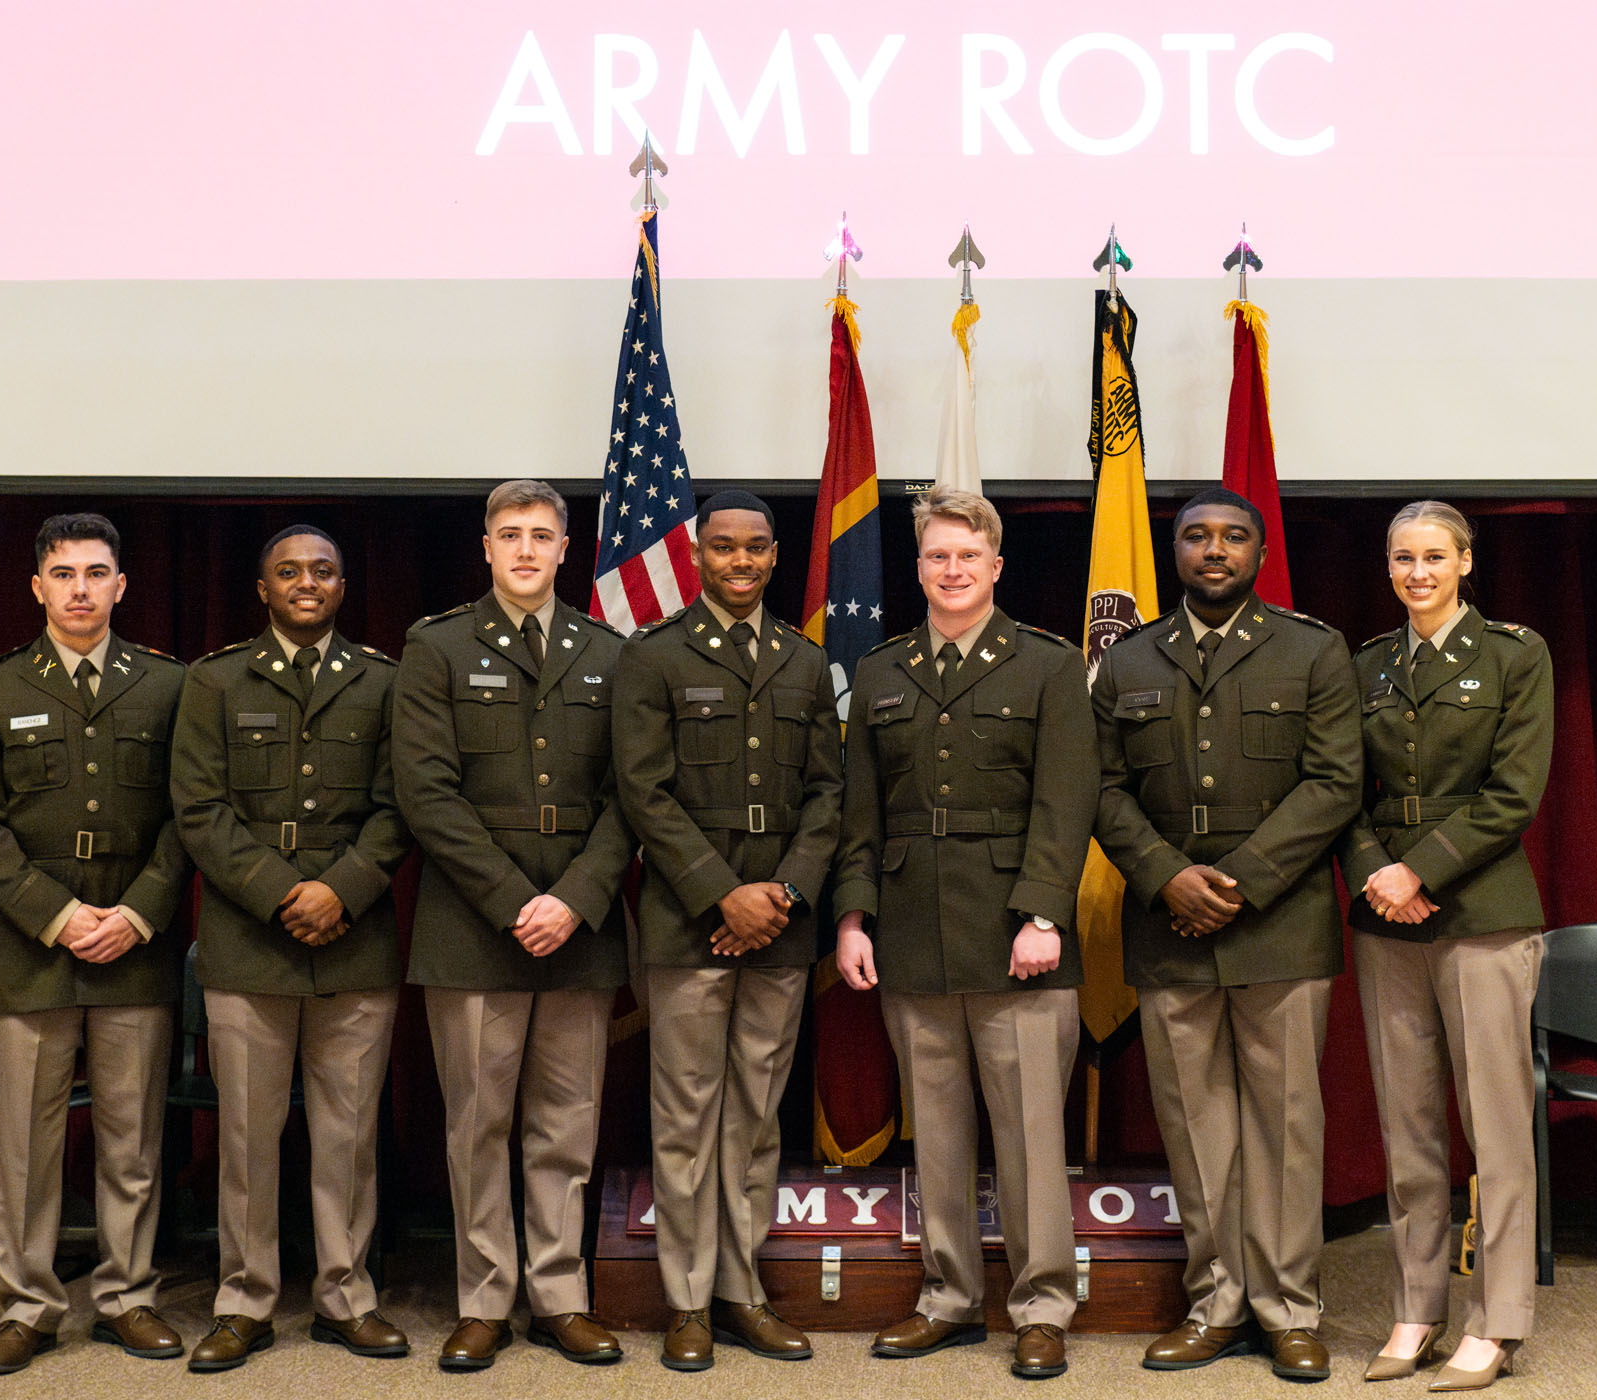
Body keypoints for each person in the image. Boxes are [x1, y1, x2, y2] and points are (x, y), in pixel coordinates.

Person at [1091, 486, 1361, 1383]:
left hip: (1278, 924)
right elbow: (1100, 788)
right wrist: (1169, 875)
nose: (1215, 550)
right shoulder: (1129, 660)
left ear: (1258, 551)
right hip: (1169, 925)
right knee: (1196, 1124)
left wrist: (1235, 883)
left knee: (1286, 1124)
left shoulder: (1312, 649)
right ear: (1176, 554)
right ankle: (1217, 1302)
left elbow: (1332, 783)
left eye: (1233, 536)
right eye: (1197, 537)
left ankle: (1289, 1309)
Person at [831, 487, 1098, 1381]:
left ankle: (1041, 1304)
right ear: (919, 569)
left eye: (967, 558)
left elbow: (1067, 803)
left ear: (995, 567)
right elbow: (858, 812)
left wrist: (1043, 913)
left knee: (1029, 1135)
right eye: (937, 558)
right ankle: (945, 1297)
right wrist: (854, 916)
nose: (952, 571)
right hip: (911, 931)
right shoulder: (881, 670)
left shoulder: (1049, 665)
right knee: (936, 1133)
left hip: (1018, 934)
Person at [394, 480, 635, 1372]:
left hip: (583, 924)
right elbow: (425, 791)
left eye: (542, 534)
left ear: (567, 549)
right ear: (485, 547)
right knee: (478, 1125)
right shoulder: (437, 646)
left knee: (566, 1125)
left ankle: (562, 1297)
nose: (526, 550)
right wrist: (512, 899)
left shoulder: (611, 652)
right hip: (474, 926)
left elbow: (630, 795)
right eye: (510, 535)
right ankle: (486, 1299)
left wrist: (573, 897)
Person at [0, 512, 189, 1376]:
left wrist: (137, 913)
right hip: (34, 946)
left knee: (131, 1142)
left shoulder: (167, 686)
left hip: (138, 943)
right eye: (64, 574)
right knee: (27, 1148)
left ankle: (128, 1297)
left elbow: (188, 816)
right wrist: (58, 915)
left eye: (96, 573)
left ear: (121, 587)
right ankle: (29, 1306)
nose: (80, 588)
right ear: (38, 587)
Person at [611, 490, 844, 1371]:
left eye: (754, 549)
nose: (739, 562)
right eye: (722, 548)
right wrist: (724, 896)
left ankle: (740, 1290)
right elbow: (644, 792)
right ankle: (686, 1301)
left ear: (776, 557)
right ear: (698, 556)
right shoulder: (656, 655)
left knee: (753, 1117)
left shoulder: (803, 662)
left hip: (778, 930)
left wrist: (780, 893)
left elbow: (828, 793)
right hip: (689, 927)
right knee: (684, 1117)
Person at [170, 525, 410, 1372]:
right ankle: (245, 1301)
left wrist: (339, 890)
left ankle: (346, 1296)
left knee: (347, 1137)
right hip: (249, 942)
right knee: (246, 1137)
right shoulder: (214, 679)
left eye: (323, 571)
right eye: (289, 572)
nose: (307, 583)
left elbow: (402, 804)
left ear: (343, 586)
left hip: (355, 942)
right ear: (262, 589)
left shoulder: (385, 681)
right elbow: (198, 808)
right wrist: (284, 894)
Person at [1339, 501, 1552, 1393]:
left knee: (1496, 1131)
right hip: (1388, 922)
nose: (1417, 572)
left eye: (1434, 556)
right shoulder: (1367, 666)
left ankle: (1496, 1322)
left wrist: (1419, 870)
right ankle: (1417, 1309)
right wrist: (1377, 872)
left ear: (1466, 561)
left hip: (1483, 915)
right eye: (1401, 558)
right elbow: (1341, 792)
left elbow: (1514, 792)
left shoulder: (1514, 654)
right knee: (1410, 1128)